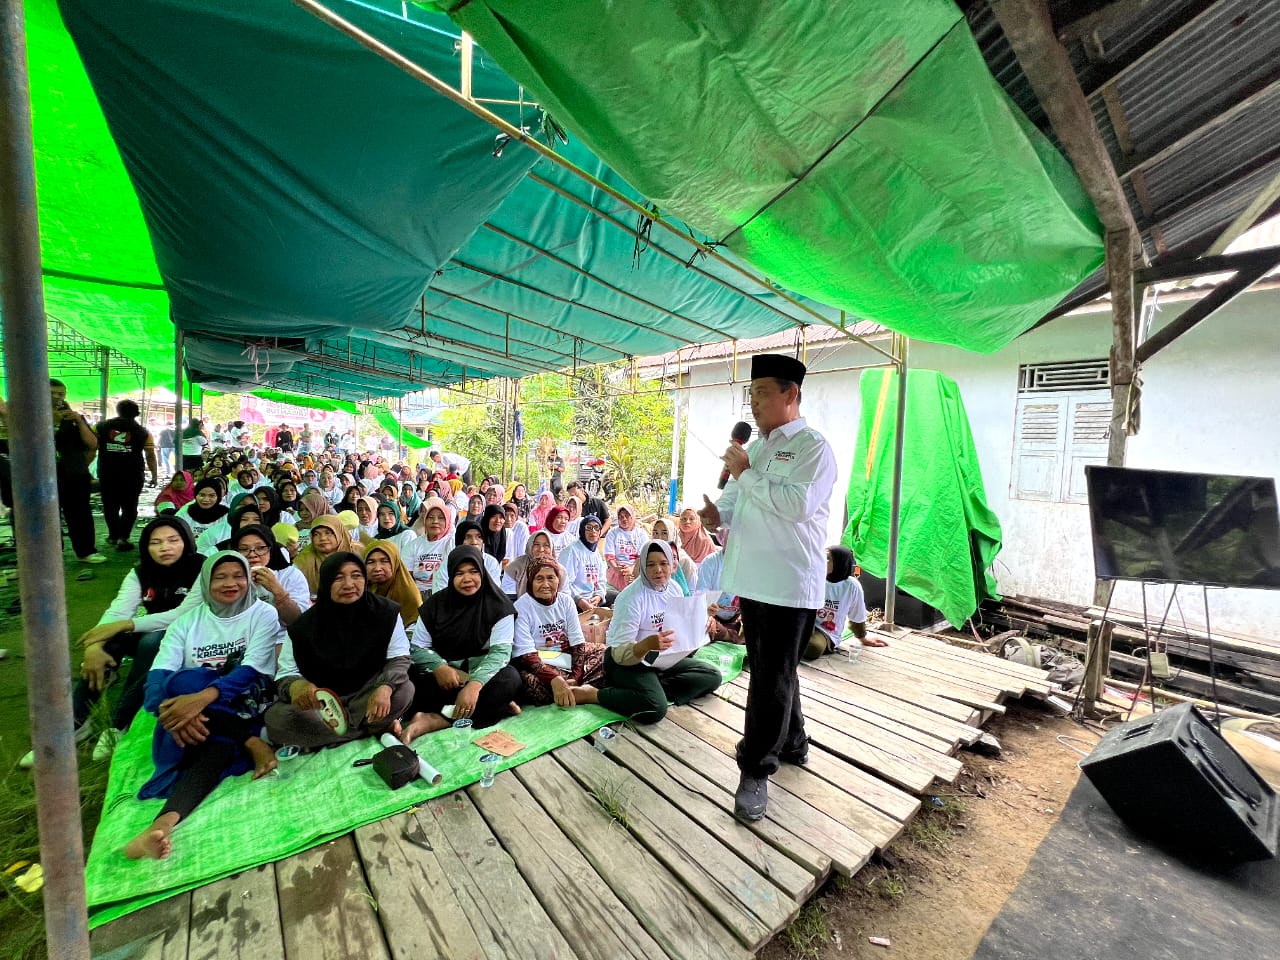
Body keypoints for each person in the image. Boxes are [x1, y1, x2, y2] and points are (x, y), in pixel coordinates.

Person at [697, 353, 836, 822]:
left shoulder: (813, 448)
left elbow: (797, 506)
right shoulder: (755, 450)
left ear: (790, 394)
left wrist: (745, 473)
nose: (753, 404)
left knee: (769, 678)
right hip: (753, 581)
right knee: (771, 669)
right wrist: (714, 515)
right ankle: (793, 741)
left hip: (788, 583)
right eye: (751, 395)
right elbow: (735, 503)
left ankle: (756, 769)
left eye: (761, 393)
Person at [124, 552, 280, 859]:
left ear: (248, 579)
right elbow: (157, 675)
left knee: (190, 689)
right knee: (189, 696)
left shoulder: (262, 614)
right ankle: (162, 825)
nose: (230, 583)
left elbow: (250, 671)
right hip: (201, 723)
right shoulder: (187, 622)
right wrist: (168, 711)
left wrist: (199, 701)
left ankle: (162, 823)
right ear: (206, 582)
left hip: (244, 702)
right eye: (220, 577)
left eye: (238, 575)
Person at [33, 518, 206, 767]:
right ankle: (74, 722)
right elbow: (117, 612)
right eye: (155, 542)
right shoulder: (140, 572)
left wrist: (126, 625)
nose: (165, 548)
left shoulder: (201, 568)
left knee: (151, 642)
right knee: (109, 645)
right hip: (149, 631)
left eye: (173, 540)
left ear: (186, 541)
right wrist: (95, 646)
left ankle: (119, 722)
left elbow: (181, 615)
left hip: (191, 639)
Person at [265, 553, 414, 750]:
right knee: (277, 718)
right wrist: (297, 686)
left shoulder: (385, 613)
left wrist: (385, 687)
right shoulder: (303, 626)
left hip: (366, 695)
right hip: (324, 705)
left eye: (356, 575)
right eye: (338, 578)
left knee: (403, 690)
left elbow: (399, 657)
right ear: (326, 582)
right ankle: (371, 728)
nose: (349, 584)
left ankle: (334, 734)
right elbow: (286, 673)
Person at [567, 541, 721, 723]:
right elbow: (619, 654)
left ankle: (645, 692)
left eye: (664, 563)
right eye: (651, 564)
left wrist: (704, 619)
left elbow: (680, 628)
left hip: (660, 658)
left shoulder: (674, 588)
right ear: (642, 566)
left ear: (672, 564)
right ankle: (596, 695)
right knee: (656, 708)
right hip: (625, 661)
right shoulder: (631, 598)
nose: (658, 570)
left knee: (712, 676)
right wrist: (647, 645)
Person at [401, 546, 522, 741]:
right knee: (409, 677)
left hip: (481, 675)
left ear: (482, 572)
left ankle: (436, 720)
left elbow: (500, 653)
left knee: (510, 679)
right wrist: (439, 667)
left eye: (473, 572)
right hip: (445, 678)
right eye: (459, 573)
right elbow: (417, 647)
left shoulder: (499, 606)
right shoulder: (434, 606)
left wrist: (474, 685)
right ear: (450, 575)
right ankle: (493, 707)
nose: (467, 579)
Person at [511, 558, 606, 706]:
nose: (545, 584)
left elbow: (578, 643)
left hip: (567, 656)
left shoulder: (566, 601)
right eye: (539, 579)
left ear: (558, 580)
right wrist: (554, 679)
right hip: (540, 661)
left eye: (551, 578)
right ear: (530, 582)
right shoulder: (521, 607)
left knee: (606, 653)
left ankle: (571, 688)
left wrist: (576, 676)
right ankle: (578, 690)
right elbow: (527, 656)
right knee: (530, 683)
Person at [49, 380, 105, 563]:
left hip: (74, 474)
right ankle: (51, 554)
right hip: (45, 475)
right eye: (53, 393)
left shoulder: (73, 418)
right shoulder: (32, 416)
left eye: (61, 394)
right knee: (47, 514)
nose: (57, 397)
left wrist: (78, 421)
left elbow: (92, 444)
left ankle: (85, 551)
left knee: (80, 513)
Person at [96, 399, 159, 551]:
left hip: (107, 473)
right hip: (133, 475)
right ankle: (123, 538)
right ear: (136, 413)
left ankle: (113, 535)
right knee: (130, 507)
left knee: (110, 506)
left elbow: (90, 447)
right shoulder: (143, 432)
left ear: (118, 411)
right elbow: (150, 455)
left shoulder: (100, 427)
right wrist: (154, 475)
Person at [229, 523, 310, 632]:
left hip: (282, 635)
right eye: (244, 549)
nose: (252, 554)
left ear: (271, 549)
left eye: (260, 548)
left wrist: (277, 589)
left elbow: (297, 621)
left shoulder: (290, 574)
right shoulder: (228, 575)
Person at [804, 546, 879, 660]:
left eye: (828, 558)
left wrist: (863, 639)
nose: (823, 560)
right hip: (805, 624)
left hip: (825, 632)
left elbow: (857, 616)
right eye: (823, 556)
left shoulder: (851, 586)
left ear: (840, 563)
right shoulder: (815, 577)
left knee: (813, 648)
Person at [293, 515, 363, 597]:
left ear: (339, 533)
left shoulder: (359, 551)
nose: (322, 538)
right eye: (316, 534)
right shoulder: (303, 560)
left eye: (328, 533)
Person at [363, 540, 422, 631]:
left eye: (384, 561)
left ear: (395, 562)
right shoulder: (362, 590)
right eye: (371, 562)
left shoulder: (408, 594)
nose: (377, 568)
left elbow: (413, 629)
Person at [401, 496, 452, 595]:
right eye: (430, 517)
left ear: (448, 521)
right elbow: (406, 577)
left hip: (446, 594)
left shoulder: (452, 542)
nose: (435, 521)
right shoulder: (414, 545)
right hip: (418, 594)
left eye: (441, 518)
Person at [560, 514, 608, 612]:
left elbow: (601, 579)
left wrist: (599, 595)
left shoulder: (595, 552)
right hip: (574, 600)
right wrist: (579, 601)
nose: (593, 531)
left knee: (619, 598)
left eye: (596, 528)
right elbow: (564, 583)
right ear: (582, 530)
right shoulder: (572, 551)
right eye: (589, 528)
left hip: (591, 598)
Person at [604, 504, 644, 595]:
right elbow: (609, 556)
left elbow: (641, 557)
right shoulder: (612, 533)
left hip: (635, 568)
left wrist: (631, 569)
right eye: (621, 517)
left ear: (632, 516)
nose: (624, 519)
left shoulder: (641, 534)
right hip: (616, 569)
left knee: (635, 580)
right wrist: (616, 568)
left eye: (627, 516)